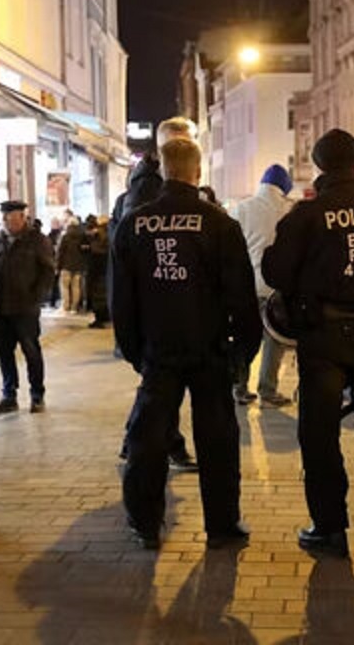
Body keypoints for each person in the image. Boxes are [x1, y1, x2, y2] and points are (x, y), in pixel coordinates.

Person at [263, 129, 354, 558]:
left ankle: (330, 527)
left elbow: (276, 272)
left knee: (320, 433)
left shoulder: (308, 215)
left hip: (324, 336)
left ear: (318, 165)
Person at [112, 137, 261, 550]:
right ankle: (222, 524)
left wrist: (135, 350)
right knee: (218, 439)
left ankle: (145, 522)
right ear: (197, 172)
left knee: (148, 438)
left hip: (158, 350)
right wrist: (241, 354)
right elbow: (241, 296)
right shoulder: (218, 224)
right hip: (209, 349)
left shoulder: (134, 224)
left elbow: (122, 298)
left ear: (164, 171)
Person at [111, 118, 201, 470]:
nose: (185, 147)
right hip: (159, 305)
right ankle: (146, 445)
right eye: (181, 141)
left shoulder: (149, 182)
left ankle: (151, 443)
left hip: (163, 304)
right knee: (160, 385)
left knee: (160, 386)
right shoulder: (148, 187)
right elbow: (138, 250)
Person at [0, 201, 55, 415]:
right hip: (0, 309)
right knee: (4, 353)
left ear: (22, 218)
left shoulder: (37, 240)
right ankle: (9, 395)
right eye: (5, 218)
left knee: (31, 351)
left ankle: (37, 394)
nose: (7, 222)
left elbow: (48, 271)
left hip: (25, 308)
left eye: (12, 217)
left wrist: (37, 298)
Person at [230, 164, 296, 407]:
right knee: (274, 341)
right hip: (274, 286)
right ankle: (268, 391)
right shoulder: (288, 209)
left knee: (244, 338)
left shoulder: (242, 208)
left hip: (246, 285)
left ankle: (239, 387)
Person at [55, 217, 87, 314]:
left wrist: (57, 265)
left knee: (64, 286)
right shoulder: (82, 236)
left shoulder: (65, 236)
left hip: (66, 264)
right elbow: (85, 250)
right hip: (78, 265)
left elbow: (60, 252)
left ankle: (66, 306)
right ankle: (74, 307)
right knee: (76, 286)